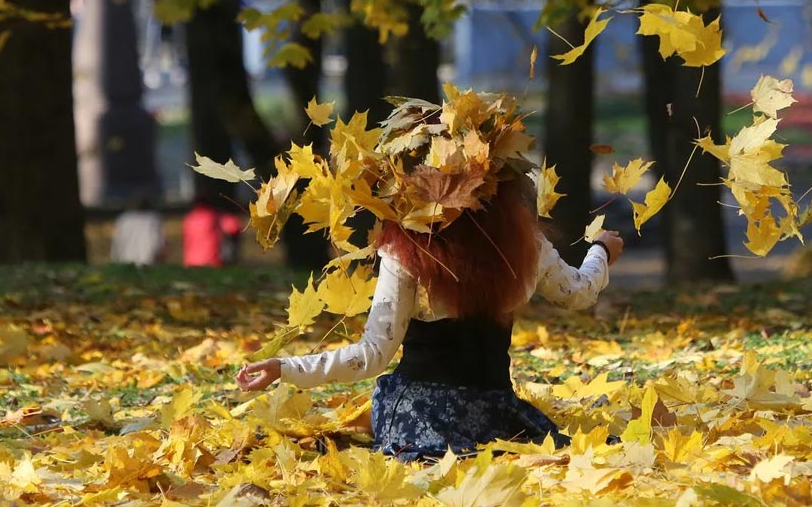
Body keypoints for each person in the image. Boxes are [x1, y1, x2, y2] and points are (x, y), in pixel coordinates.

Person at [236, 174, 623, 461]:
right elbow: (579, 292)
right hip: (490, 411)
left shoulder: (407, 252)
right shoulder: (524, 245)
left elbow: (372, 354)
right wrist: (601, 251)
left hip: (417, 413)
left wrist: (285, 368)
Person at [183, 196, 244, 267]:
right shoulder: (214, 217)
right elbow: (234, 226)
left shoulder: (189, 219)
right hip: (210, 262)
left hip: (191, 262)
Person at [111, 196, 166, 265]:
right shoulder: (153, 219)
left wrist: (115, 259)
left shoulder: (123, 219)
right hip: (147, 263)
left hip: (125, 262)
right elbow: (158, 243)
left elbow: (117, 242)